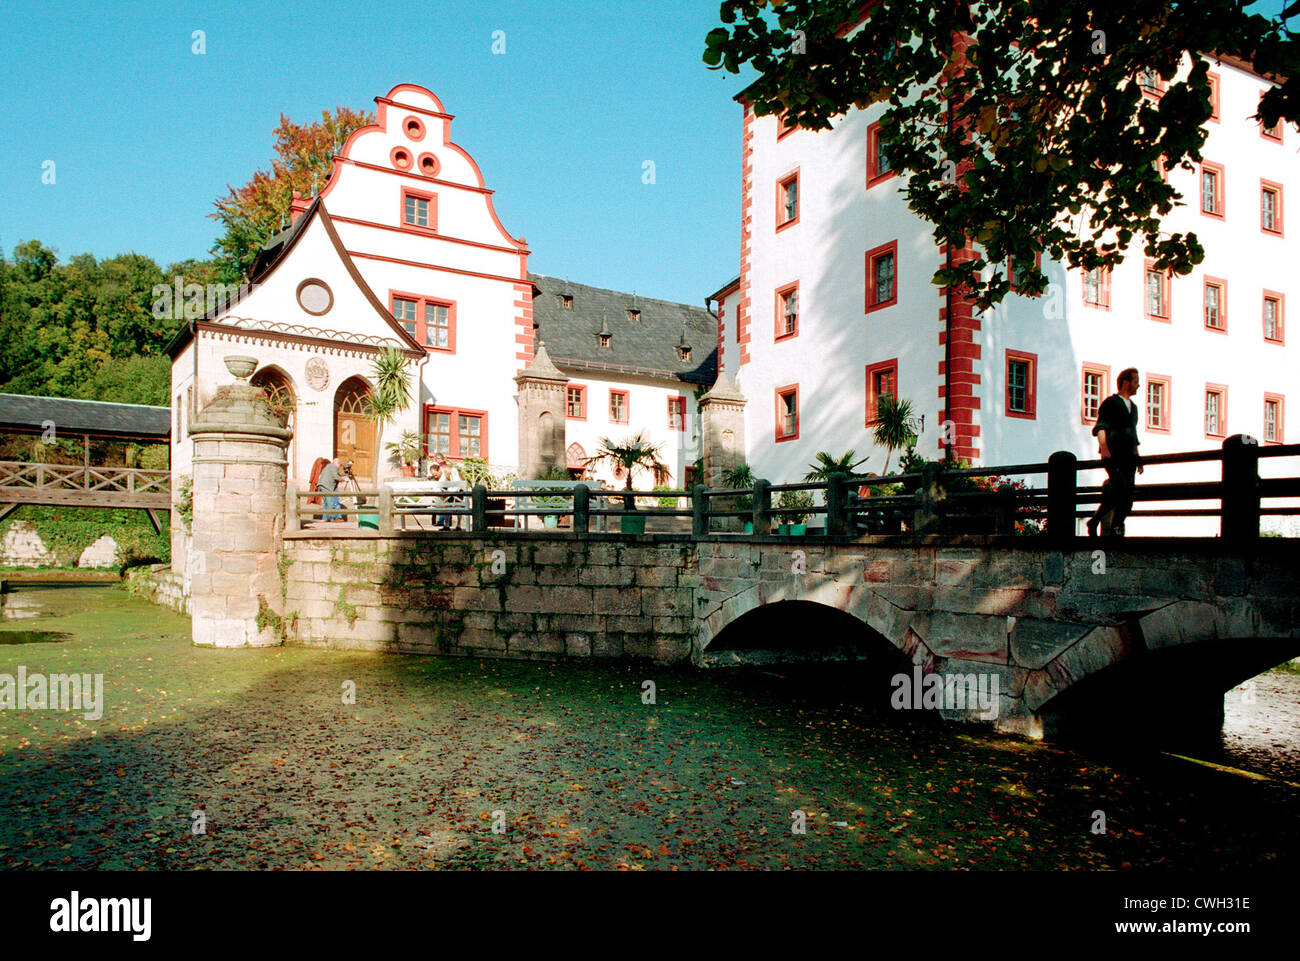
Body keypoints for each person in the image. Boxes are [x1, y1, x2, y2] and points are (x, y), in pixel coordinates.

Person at [1088, 367, 1144, 537]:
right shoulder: (1110, 403)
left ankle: (1098, 521)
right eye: (1136, 381)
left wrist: (1138, 457)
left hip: (1129, 457)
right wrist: (1104, 448)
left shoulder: (1133, 408)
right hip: (1114, 455)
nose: (1138, 385)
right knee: (1121, 489)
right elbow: (1101, 426)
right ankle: (1115, 527)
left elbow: (1132, 435)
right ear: (1126, 382)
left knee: (1127, 495)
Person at [427, 453, 453, 529]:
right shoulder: (447, 465)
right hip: (448, 487)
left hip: (444, 487)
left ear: (437, 459)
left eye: (436, 459)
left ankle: (441, 521)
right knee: (447, 505)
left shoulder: (441, 467)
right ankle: (447, 523)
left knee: (443, 504)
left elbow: (440, 477)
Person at [316, 457, 343, 522]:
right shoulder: (333, 467)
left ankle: (326, 518)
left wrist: (343, 474)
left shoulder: (329, 467)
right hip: (326, 486)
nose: (339, 467)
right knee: (330, 503)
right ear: (337, 464)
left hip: (322, 485)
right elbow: (335, 476)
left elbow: (335, 474)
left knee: (327, 503)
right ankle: (332, 519)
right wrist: (344, 479)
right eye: (340, 465)